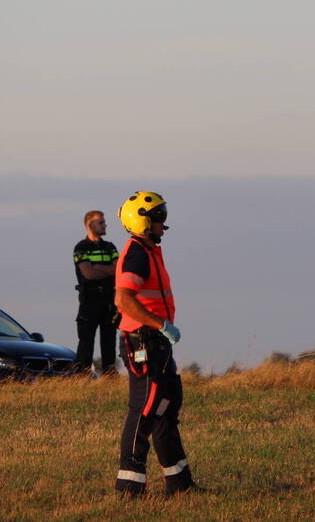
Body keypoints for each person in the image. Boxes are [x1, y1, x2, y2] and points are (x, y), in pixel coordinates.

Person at [113, 191, 196, 496]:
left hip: (158, 343)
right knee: (145, 409)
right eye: (159, 217)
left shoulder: (147, 251)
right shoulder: (136, 253)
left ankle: (179, 483)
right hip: (144, 342)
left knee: (166, 407)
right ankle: (129, 487)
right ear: (143, 221)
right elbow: (123, 299)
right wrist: (160, 325)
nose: (164, 223)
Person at [73, 210, 119, 375]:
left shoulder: (110, 247)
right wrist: (108, 270)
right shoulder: (81, 247)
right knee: (86, 342)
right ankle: (82, 377)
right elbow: (88, 274)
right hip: (89, 300)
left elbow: (118, 270)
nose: (105, 225)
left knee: (109, 342)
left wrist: (98, 267)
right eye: (101, 222)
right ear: (90, 225)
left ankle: (110, 377)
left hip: (109, 300)